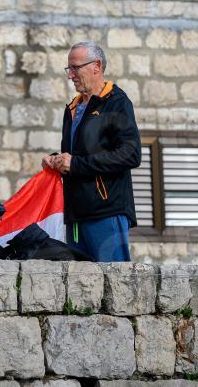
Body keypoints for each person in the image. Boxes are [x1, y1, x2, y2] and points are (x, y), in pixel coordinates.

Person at [42, 41, 141, 261]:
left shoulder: (117, 103)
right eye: (69, 69)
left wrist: (75, 164)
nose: (71, 75)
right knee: (79, 283)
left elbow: (131, 154)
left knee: (115, 280)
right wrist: (57, 161)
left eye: (75, 68)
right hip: (75, 217)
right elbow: (77, 155)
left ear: (96, 66)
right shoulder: (72, 109)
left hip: (106, 214)